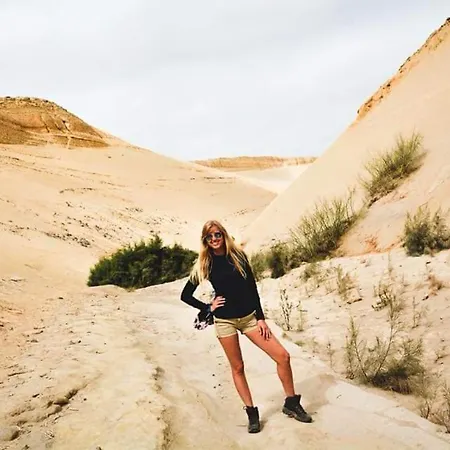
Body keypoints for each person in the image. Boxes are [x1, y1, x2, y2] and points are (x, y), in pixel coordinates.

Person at [180, 219, 312, 433]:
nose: (214, 239)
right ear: (205, 240)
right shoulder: (205, 263)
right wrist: (208, 306)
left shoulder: (238, 256)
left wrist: (261, 318)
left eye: (217, 234)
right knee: (238, 367)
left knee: (283, 356)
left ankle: (291, 403)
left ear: (223, 235)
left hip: (250, 318)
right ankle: (252, 413)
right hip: (224, 322)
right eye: (209, 236)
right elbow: (185, 295)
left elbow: (252, 289)